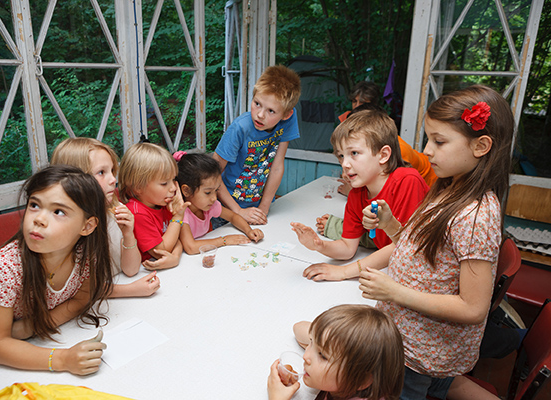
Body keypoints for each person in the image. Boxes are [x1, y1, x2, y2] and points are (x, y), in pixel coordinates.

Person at [352, 85, 513, 399]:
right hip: (404, 339)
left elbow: (473, 307)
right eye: (429, 139)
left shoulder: (476, 215)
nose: (426, 150)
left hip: (417, 353)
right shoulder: (447, 188)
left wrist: (394, 291)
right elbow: (426, 253)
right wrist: (392, 226)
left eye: (439, 141)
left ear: (481, 146)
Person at [0, 165, 113, 375]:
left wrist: (30, 327)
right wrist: (63, 359)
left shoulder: (85, 255)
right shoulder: (5, 267)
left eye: (58, 211)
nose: (38, 219)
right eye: (34, 205)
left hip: (42, 338)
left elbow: (82, 299)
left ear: (87, 227)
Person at [291, 109, 429, 266]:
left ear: (383, 155)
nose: (345, 164)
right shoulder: (357, 194)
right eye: (341, 156)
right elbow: (347, 248)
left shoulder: (408, 181)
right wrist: (318, 245)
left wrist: (343, 272)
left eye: (354, 153)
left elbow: (402, 246)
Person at [51, 138, 160, 297]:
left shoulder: (115, 210)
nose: (113, 180)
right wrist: (130, 290)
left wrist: (128, 234)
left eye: (112, 171)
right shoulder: (65, 228)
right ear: (74, 180)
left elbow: (131, 270)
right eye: (101, 172)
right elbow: (78, 289)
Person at [213, 64, 301, 225]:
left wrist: (264, 208)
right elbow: (211, 174)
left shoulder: (289, 119)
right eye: (257, 103)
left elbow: (277, 166)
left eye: (271, 111)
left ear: (286, 114)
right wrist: (238, 211)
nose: (260, 115)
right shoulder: (240, 128)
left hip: (258, 207)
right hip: (226, 209)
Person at [267, 304, 404, 400]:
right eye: (311, 342)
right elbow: (298, 328)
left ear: (361, 380)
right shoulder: (349, 378)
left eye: (323, 356)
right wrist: (320, 338)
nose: (305, 356)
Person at [174, 151, 264, 254]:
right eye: (208, 192)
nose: (214, 198)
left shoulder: (210, 205)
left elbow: (233, 217)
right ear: (186, 190)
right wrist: (224, 240)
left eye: (216, 190)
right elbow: (191, 248)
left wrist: (249, 231)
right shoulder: (181, 213)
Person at [118, 142, 189, 269]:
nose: (173, 187)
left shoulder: (161, 203)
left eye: (173, 180)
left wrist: (176, 257)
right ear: (138, 186)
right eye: (164, 183)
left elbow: (176, 239)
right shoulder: (137, 213)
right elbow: (161, 251)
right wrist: (177, 217)